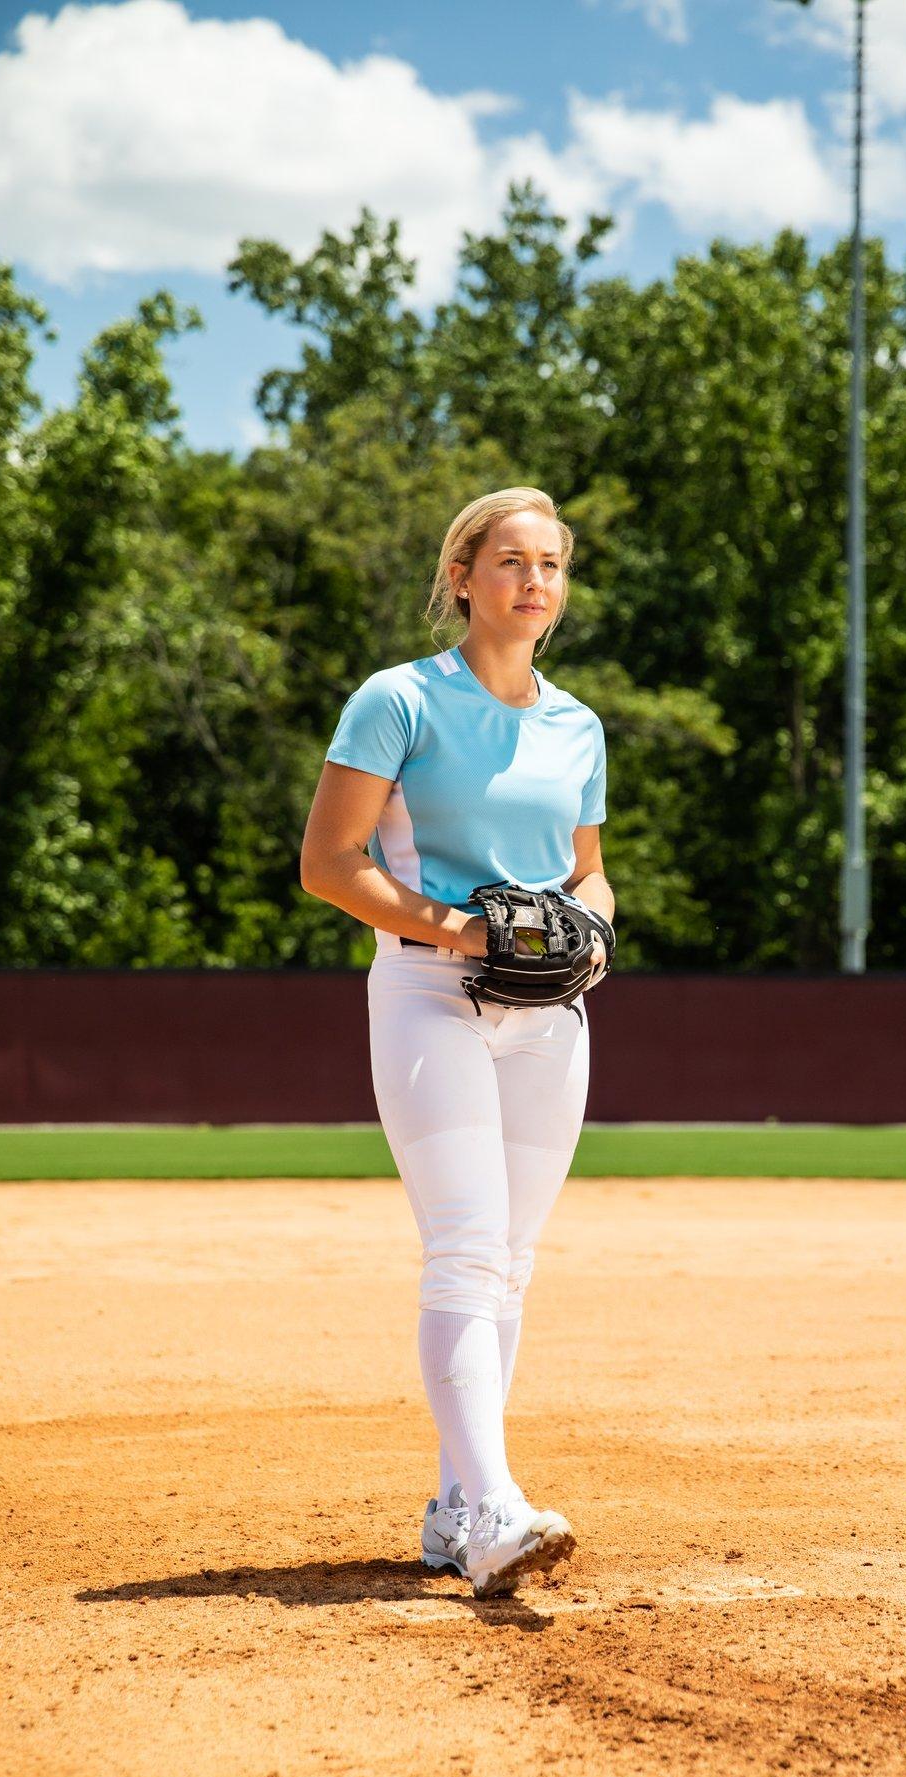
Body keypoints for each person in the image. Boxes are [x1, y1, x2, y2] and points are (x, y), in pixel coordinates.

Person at [299, 486, 613, 1597]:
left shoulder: (578, 726)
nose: (535, 580)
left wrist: (596, 933)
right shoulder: (399, 701)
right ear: (463, 577)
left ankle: (452, 1508)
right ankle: (493, 1511)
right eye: (512, 560)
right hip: (430, 991)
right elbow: (330, 863)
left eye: (552, 564)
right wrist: (466, 929)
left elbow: (588, 872)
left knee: (509, 1263)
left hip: (549, 1014)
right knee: (469, 1249)